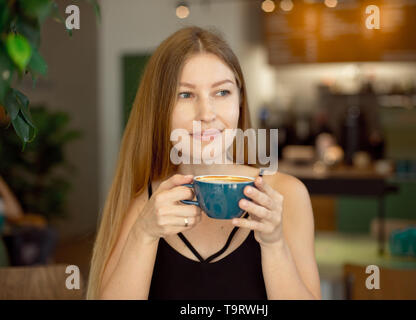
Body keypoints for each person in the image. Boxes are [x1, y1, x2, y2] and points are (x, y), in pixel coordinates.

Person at [87, 26, 321, 300]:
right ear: (160, 108)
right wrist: (144, 233)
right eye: (185, 95)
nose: (206, 113)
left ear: (240, 101)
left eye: (222, 92)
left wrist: (274, 244)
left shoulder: (287, 195)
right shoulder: (144, 203)